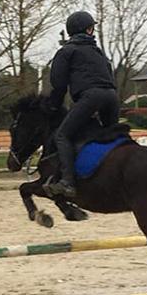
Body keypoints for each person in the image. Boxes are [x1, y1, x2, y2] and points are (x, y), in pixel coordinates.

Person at [46, 11, 119, 198]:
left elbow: (59, 84)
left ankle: (68, 182)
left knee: (62, 135)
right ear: (87, 29)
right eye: (91, 27)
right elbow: (109, 77)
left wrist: (53, 107)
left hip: (90, 97)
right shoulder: (99, 52)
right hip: (111, 96)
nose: (93, 30)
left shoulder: (66, 52)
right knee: (112, 135)